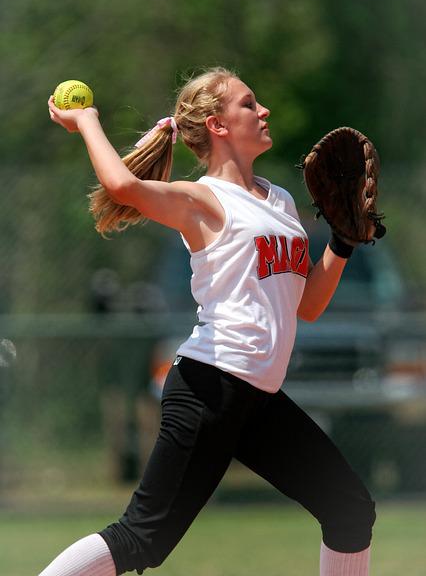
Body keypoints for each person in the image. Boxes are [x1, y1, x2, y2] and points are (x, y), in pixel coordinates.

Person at [42, 67, 376, 576]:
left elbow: (306, 305)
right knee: (141, 538)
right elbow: (122, 185)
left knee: (350, 509)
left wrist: (343, 243)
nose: (262, 111)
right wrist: (87, 119)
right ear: (218, 125)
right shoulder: (202, 201)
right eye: (248, 104)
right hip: (210, 387)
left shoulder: (280, 201)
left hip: (258, 398)